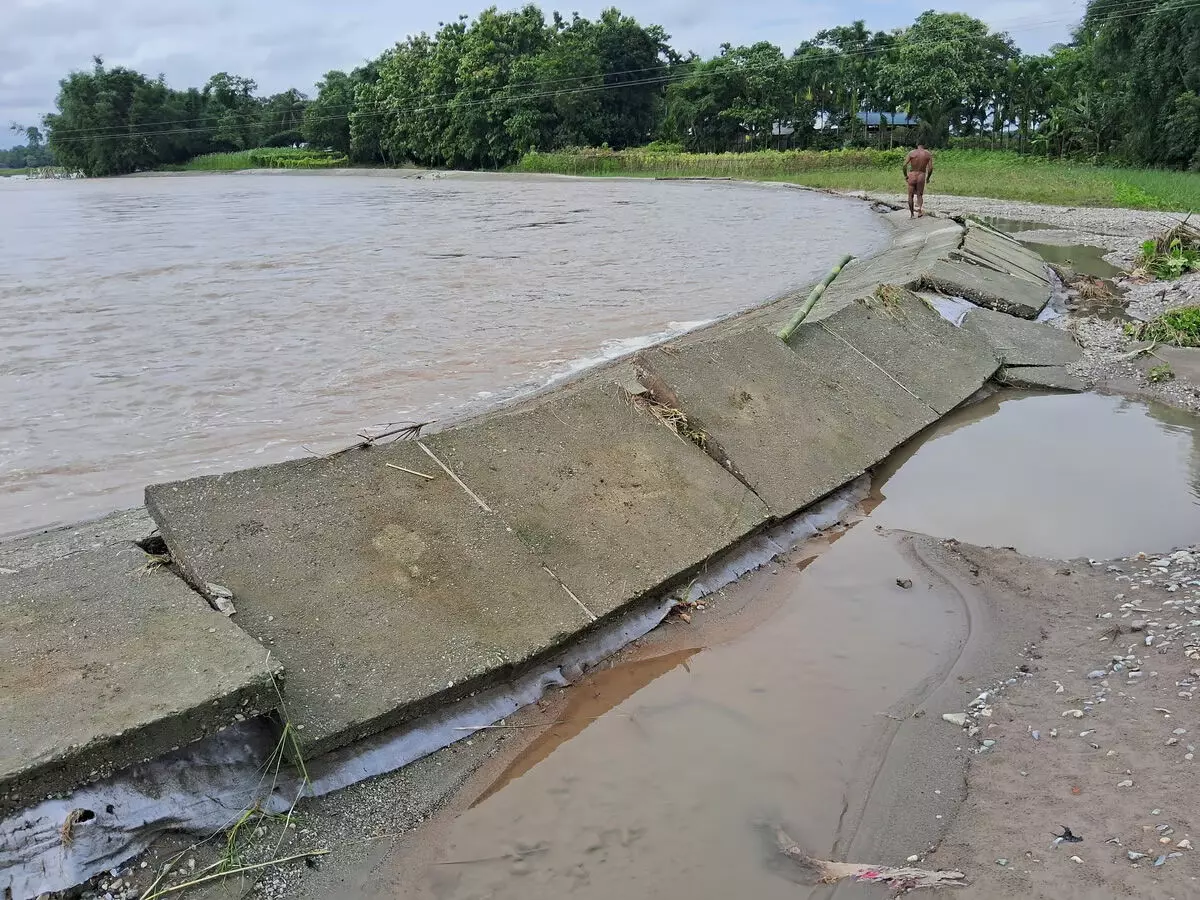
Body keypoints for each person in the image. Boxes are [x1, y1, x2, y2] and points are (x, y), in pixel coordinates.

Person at [902, 143, 934, 218]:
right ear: (924, 145)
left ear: (917, 145)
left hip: (912, 174)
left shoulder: (911, 153)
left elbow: (904, 165)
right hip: (921, 175)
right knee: (919, 194)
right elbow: (930, 168)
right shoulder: (928, 154)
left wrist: (905, 175)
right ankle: (919, 210)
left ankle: (912, 214)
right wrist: (928, 178)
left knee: (910, 195)